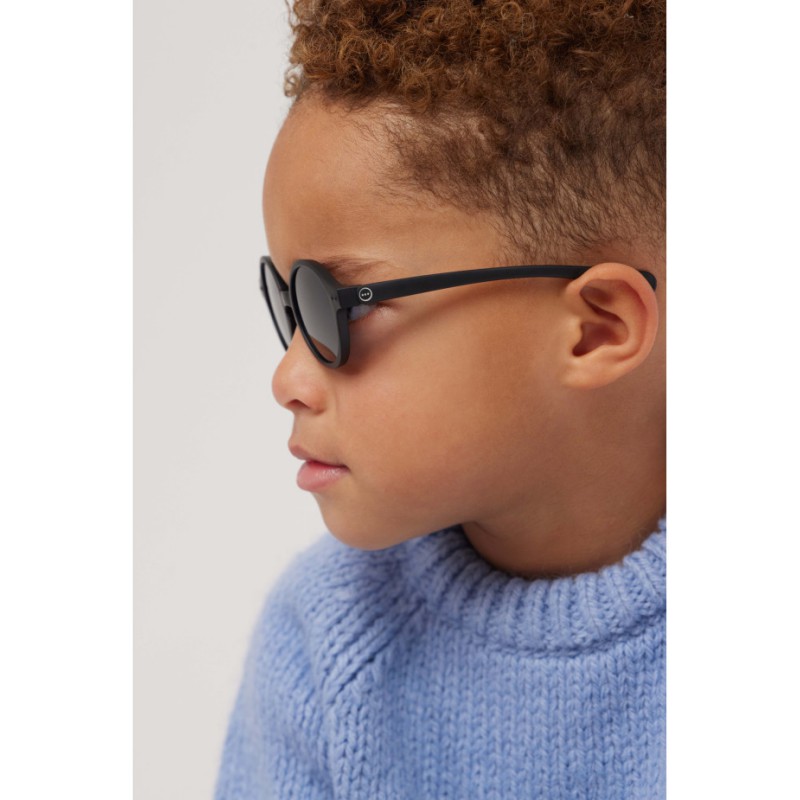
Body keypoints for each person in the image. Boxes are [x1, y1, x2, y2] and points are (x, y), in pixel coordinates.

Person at [216, 0, 665, 796]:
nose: (288, 380)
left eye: (336, 305)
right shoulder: (323, 639)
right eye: (289, 303)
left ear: (596, 329)